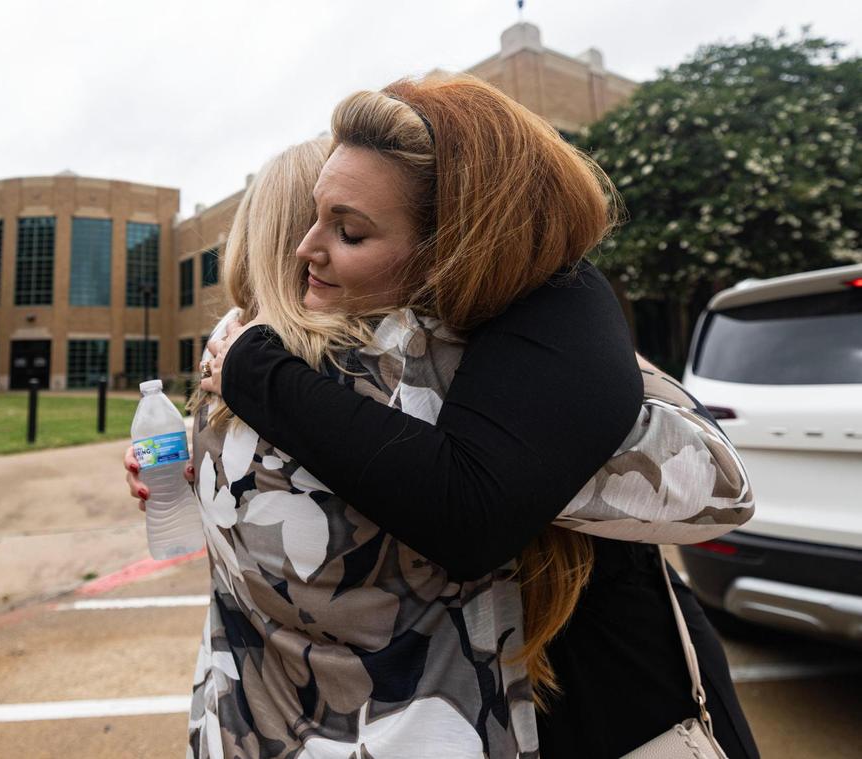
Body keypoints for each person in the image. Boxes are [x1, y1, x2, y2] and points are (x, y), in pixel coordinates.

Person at [131, 76, 757, 757]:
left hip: (604, 700)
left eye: (348, 229)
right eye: (314, 221)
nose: (312, 249)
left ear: (445, 249)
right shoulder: (350, 382)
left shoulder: (243, 378)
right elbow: (713, 484)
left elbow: (716, 486)